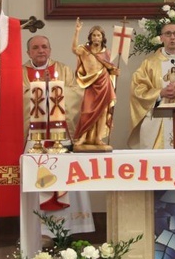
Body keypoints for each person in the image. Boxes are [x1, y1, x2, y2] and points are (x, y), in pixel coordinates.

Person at [23, 35, 94, 235]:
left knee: (67, 178)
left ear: (50, 49)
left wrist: (53, 92)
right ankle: (41, 232)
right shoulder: (20, 72)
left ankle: (70, 229)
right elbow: (17, 96)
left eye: (44, 47)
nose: (40, 51)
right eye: (35, 48)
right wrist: (41, 92)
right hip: (34, 138)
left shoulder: (63, 69)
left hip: (61, 135)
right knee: (37, 180)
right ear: (28, 52)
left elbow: (77, 93)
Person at [72, 19, 119, 147]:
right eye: (94, 35)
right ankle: (82, 137)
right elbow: (74, 49)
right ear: (90, 37)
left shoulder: (106, 53)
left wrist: (115, 71)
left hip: (104, 83)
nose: (96, 37)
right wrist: (77, 32)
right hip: (91, 84)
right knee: (87, 111)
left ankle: (98, 138)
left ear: (102, 38)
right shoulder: (85, 50)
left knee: (103, 112)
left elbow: (110, 68)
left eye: (99, 35)